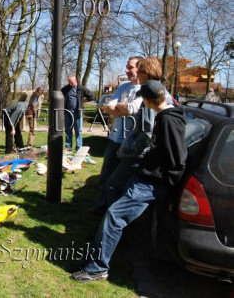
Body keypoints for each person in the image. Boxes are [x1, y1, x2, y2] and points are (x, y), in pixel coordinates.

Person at [72, 80, 187, 282]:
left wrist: (166, 184)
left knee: (114, 216)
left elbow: (177, 159)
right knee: (112, 205)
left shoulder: (168, 120)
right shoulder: (166, 115)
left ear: (148, 100)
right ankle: (95, 258)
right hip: (144, 176)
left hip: (151, 182)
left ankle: (97, 268)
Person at [103, 57, 176, 207]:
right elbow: (109, 107)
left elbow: (147, 127)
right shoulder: (149, 90)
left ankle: (114, 218)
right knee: (118, 183)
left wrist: (134, 148)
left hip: (138, 152)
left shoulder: (152, 93)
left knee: (115, 184)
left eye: (138, 70)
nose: (129, 71)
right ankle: (113, 215)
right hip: (134, 147)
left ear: (145, 72)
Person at [92, 57, 142, 214]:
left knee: (121, 180)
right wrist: (121, 108)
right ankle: (100, 208)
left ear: (140, 69)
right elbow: (107, 107)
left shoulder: (145, 89)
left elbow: (132, 109)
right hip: (114, 139)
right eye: (127, 66)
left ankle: (114, 212)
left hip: (130, 142)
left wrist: (118, 107)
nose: (126, 70)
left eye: (130, 67)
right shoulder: (124, 86)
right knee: (106, 175)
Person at [61, 75, 96, 152]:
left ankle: (79, 148)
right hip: (68, 112)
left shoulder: (81, 88)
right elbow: (59, 95)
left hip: (78, 113)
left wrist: (83, 101)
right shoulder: (66, 89)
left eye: (71, 82)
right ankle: (68, 147)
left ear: (75, 80)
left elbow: (92, 97)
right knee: (68, 129)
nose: (70, 83)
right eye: (69, 82)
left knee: (78, 130)